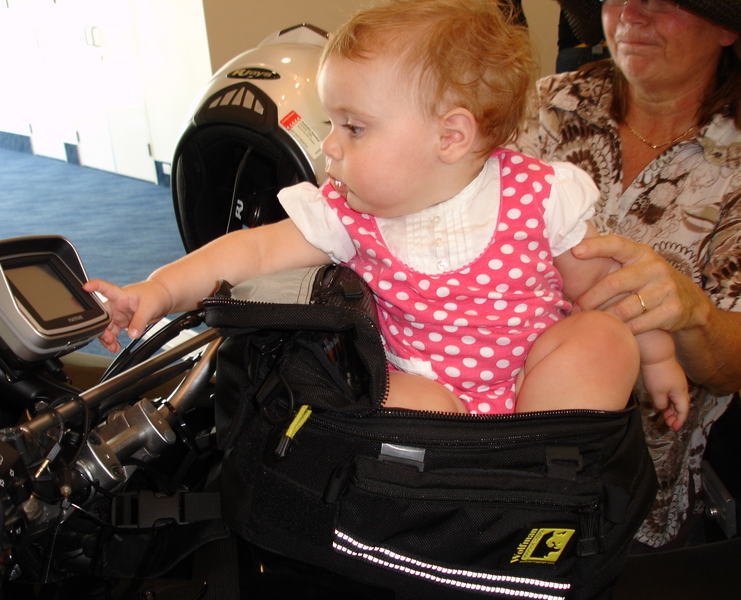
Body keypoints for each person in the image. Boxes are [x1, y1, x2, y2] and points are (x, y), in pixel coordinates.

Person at [84, 0, 688, 425]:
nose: (329, 146)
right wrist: (162, 289)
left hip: (537, 387)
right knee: (359, 392)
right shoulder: (349, 213)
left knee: (604, 338)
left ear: (450, 137)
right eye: (333, 123)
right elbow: (256, 249)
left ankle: (533, 467)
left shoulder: (540, 196)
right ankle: (455, 487)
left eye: (353, 127)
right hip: (424, 399)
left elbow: (606, 289)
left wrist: (657, 357)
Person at [515, 0, 741, 550]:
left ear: (726, 29)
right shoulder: (545, 104)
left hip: (636, 491)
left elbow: (732, 368)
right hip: (488, 437)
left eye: (665, 0)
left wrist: (693, 312)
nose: (633, 13)